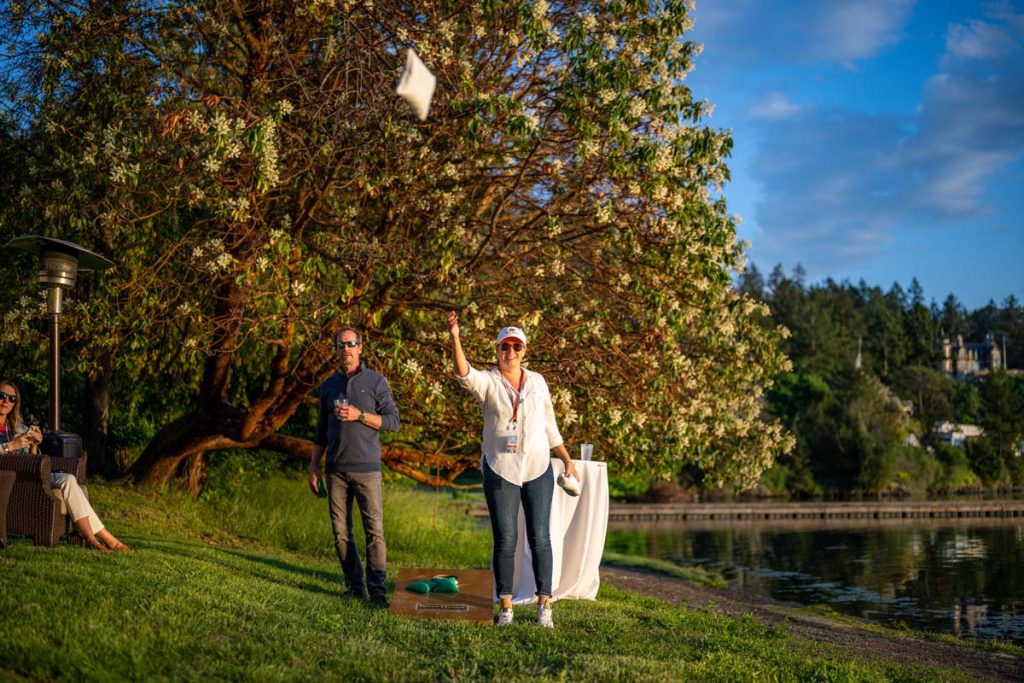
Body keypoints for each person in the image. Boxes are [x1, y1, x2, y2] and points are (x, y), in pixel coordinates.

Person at [446, 311, 578, 628]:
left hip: (537, 469)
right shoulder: (490, 382)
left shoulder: (539, 383)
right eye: (505, 347)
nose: (510, 353)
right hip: (500, 469)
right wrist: (455, 338)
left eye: (516, 347)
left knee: (540, 538)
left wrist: (567, 458)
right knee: (505, 540)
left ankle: (544, 605)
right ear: (498, 350)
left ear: (524, 352)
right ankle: (506, 607)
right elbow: (465, 375)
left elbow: (550, 426)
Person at [309, 327, 400, 608]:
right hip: (334, 469)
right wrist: (314, 467)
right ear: (336, 350)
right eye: (340, 344)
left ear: (360, 347)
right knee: (340, 533)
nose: (345, 348)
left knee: (374, 532)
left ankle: (377, 591)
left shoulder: (376, 382)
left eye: (351, 343)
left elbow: (393, 422)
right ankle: (355, 587)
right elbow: (321, 431)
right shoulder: (328, 386)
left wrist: (360, 415)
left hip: (367, 469)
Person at [0, 379, 129, 551]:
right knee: (69, 482)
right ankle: (104, 540)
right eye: (2, 396)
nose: (6, 401)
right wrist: (11, 446)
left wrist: (33, 445)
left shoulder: (16, 427)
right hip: (7, 481)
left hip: (27, 476)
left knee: (69, 479)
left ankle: (95, 539)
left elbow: (31, 461)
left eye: (12, 398)